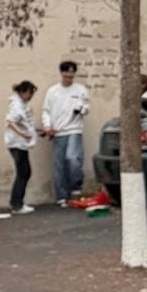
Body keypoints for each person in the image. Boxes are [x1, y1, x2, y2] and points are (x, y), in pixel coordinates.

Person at [41, 59, 91, 206]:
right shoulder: (53, 91)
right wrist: (47, 126)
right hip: (58, 131)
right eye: (66, 73)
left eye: (71, 73)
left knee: (73, 159)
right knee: (59, 165)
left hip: (74, 129)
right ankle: (62, 196)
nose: (69, 76)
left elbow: (87, 107)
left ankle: (75, 187)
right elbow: (46, 110)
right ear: (61, 73)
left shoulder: (81, 90)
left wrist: (81, 109)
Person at [0, 80, 38, 217]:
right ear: (22, 92)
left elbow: (26, 123)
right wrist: (22, 134)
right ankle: (16, 204)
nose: (30, 96)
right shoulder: (16, 105)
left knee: (24, 172)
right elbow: (10, 121)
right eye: (29, 93)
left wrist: (36, 131)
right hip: (17, 144)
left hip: (21, 144)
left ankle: (18, 202)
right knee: (23, 172)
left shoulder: (23, 104)